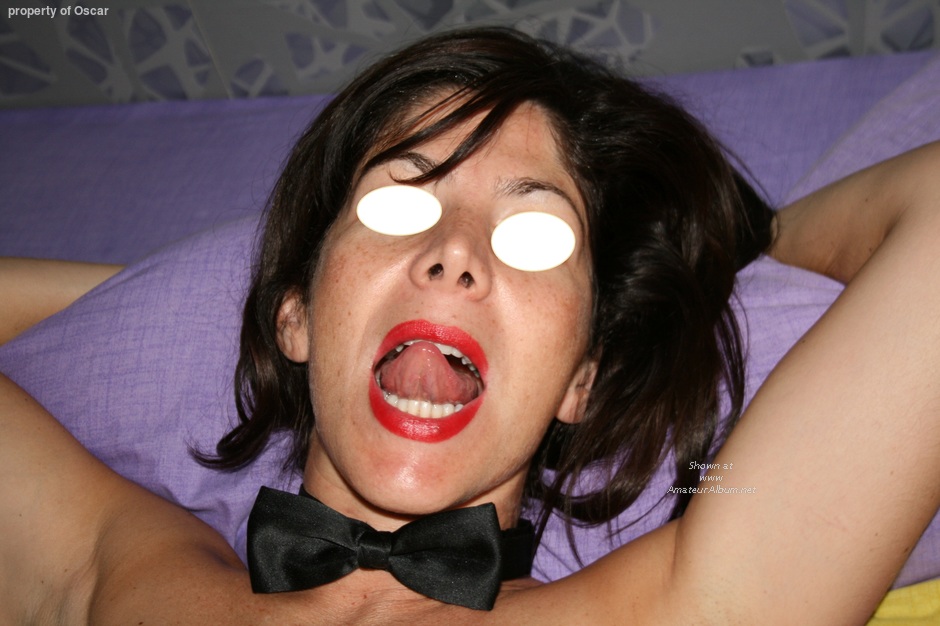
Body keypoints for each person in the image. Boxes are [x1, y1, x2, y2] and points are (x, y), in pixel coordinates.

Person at [1, 26, 939, 624]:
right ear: (294, 318)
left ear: (581, 380)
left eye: (535, 234)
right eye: (400, 204)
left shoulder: (685, 605)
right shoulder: (114, 568)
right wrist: (125, 292)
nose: (455, 252)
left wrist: (743, 252)